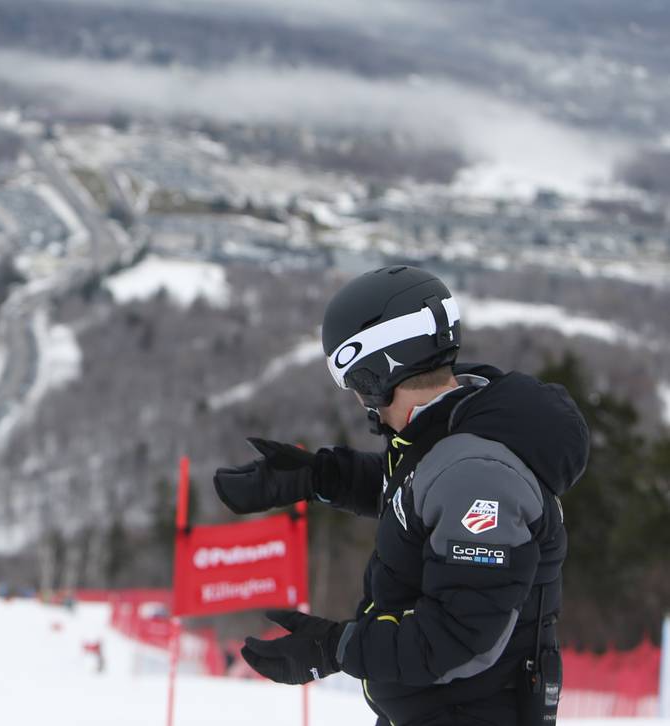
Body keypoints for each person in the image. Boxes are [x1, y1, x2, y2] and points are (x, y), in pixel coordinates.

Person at [215, 266, 588, 726]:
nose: (355, 396)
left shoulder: (477, 476)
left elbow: (455, 637)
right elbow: (417, 496)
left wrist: (335, 648)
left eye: (351, 381)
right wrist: (317, 477)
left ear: (374, 375)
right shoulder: (454, 429)